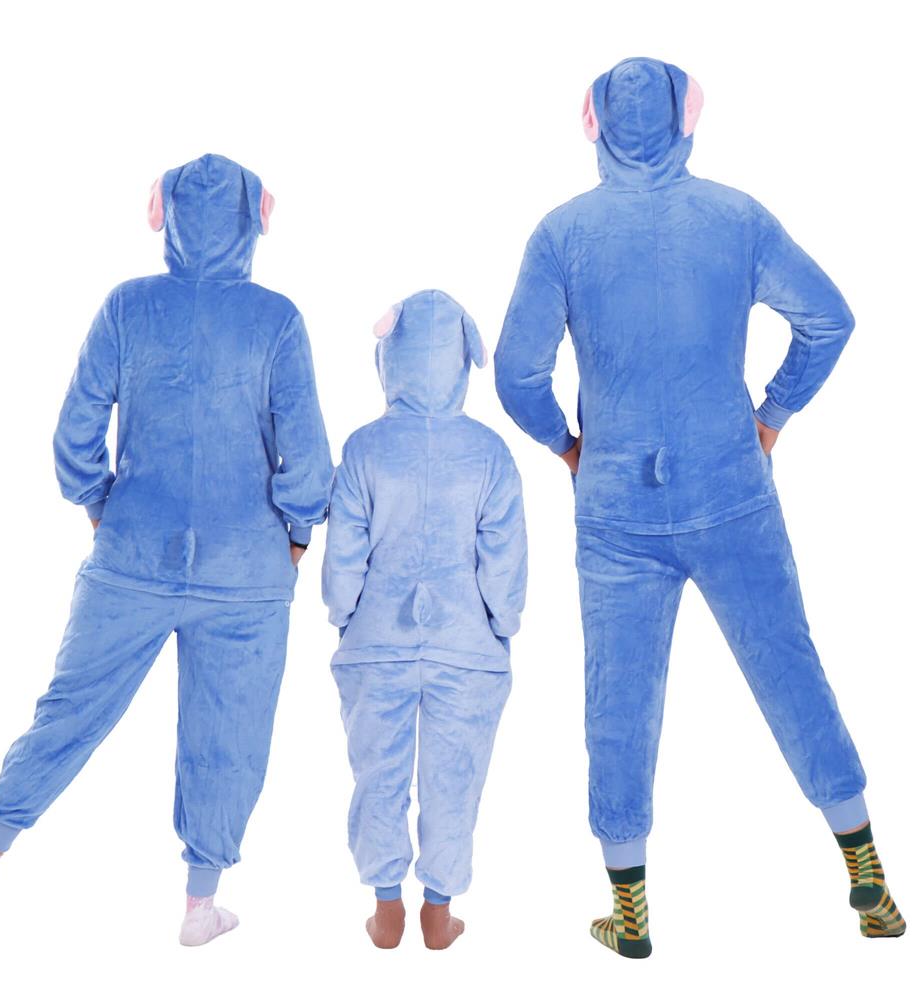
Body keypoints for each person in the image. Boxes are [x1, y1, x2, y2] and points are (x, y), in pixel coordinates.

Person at [495, 58, 903, 958]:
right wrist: (772, 417)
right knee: (789, 666)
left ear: (593, 125)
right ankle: (865, 868)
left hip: (617, 507)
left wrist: (569, 448)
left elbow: (517, 375)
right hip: (731, 489)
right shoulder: (736, 217)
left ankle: (630, 911)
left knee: (619, 699)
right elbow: (829, 319)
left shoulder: (563, 234)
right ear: (690, 119)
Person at [0, 153, 334, 946]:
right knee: (229, 737)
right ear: (257, 219)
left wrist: (100, 508)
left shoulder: (128, 306)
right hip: (246, 568)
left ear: (163, 215)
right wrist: (295, 532)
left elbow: (75, 432)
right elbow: (308, 453)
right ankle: (199, 907)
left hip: (133, 554)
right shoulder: (277, 319)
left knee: (69, 711)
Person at [323, 290, 526, 949]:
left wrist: (344, 614)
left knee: (376, 774)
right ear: (463, 362)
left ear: (392, 359)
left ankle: (387, 908)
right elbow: (504, 557)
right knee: (455, 776)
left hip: (376, 641)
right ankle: (438, 912)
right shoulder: (490, 452)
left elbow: (344, 554)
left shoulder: (364, 448)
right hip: (466, 644)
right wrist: (502, 623)